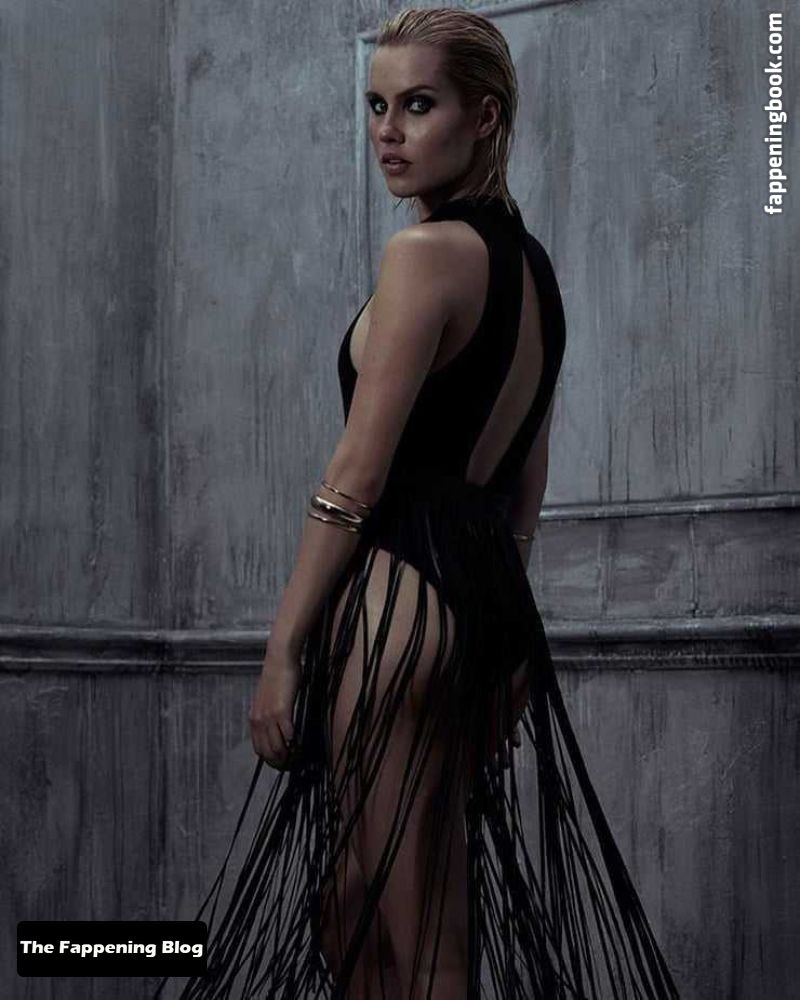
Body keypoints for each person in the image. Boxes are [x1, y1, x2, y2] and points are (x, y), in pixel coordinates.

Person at [155, 8, 680, 999]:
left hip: (397, 605)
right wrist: (500, 631)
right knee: (350, 903)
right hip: (477, 603)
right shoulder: (533, 272)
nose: (388, 131)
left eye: (418, 105)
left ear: (485, 117)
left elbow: (354, 480)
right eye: (376, 106)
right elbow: (523, 489)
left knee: (425, 936)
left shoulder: (423, 256)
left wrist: (281, 650)